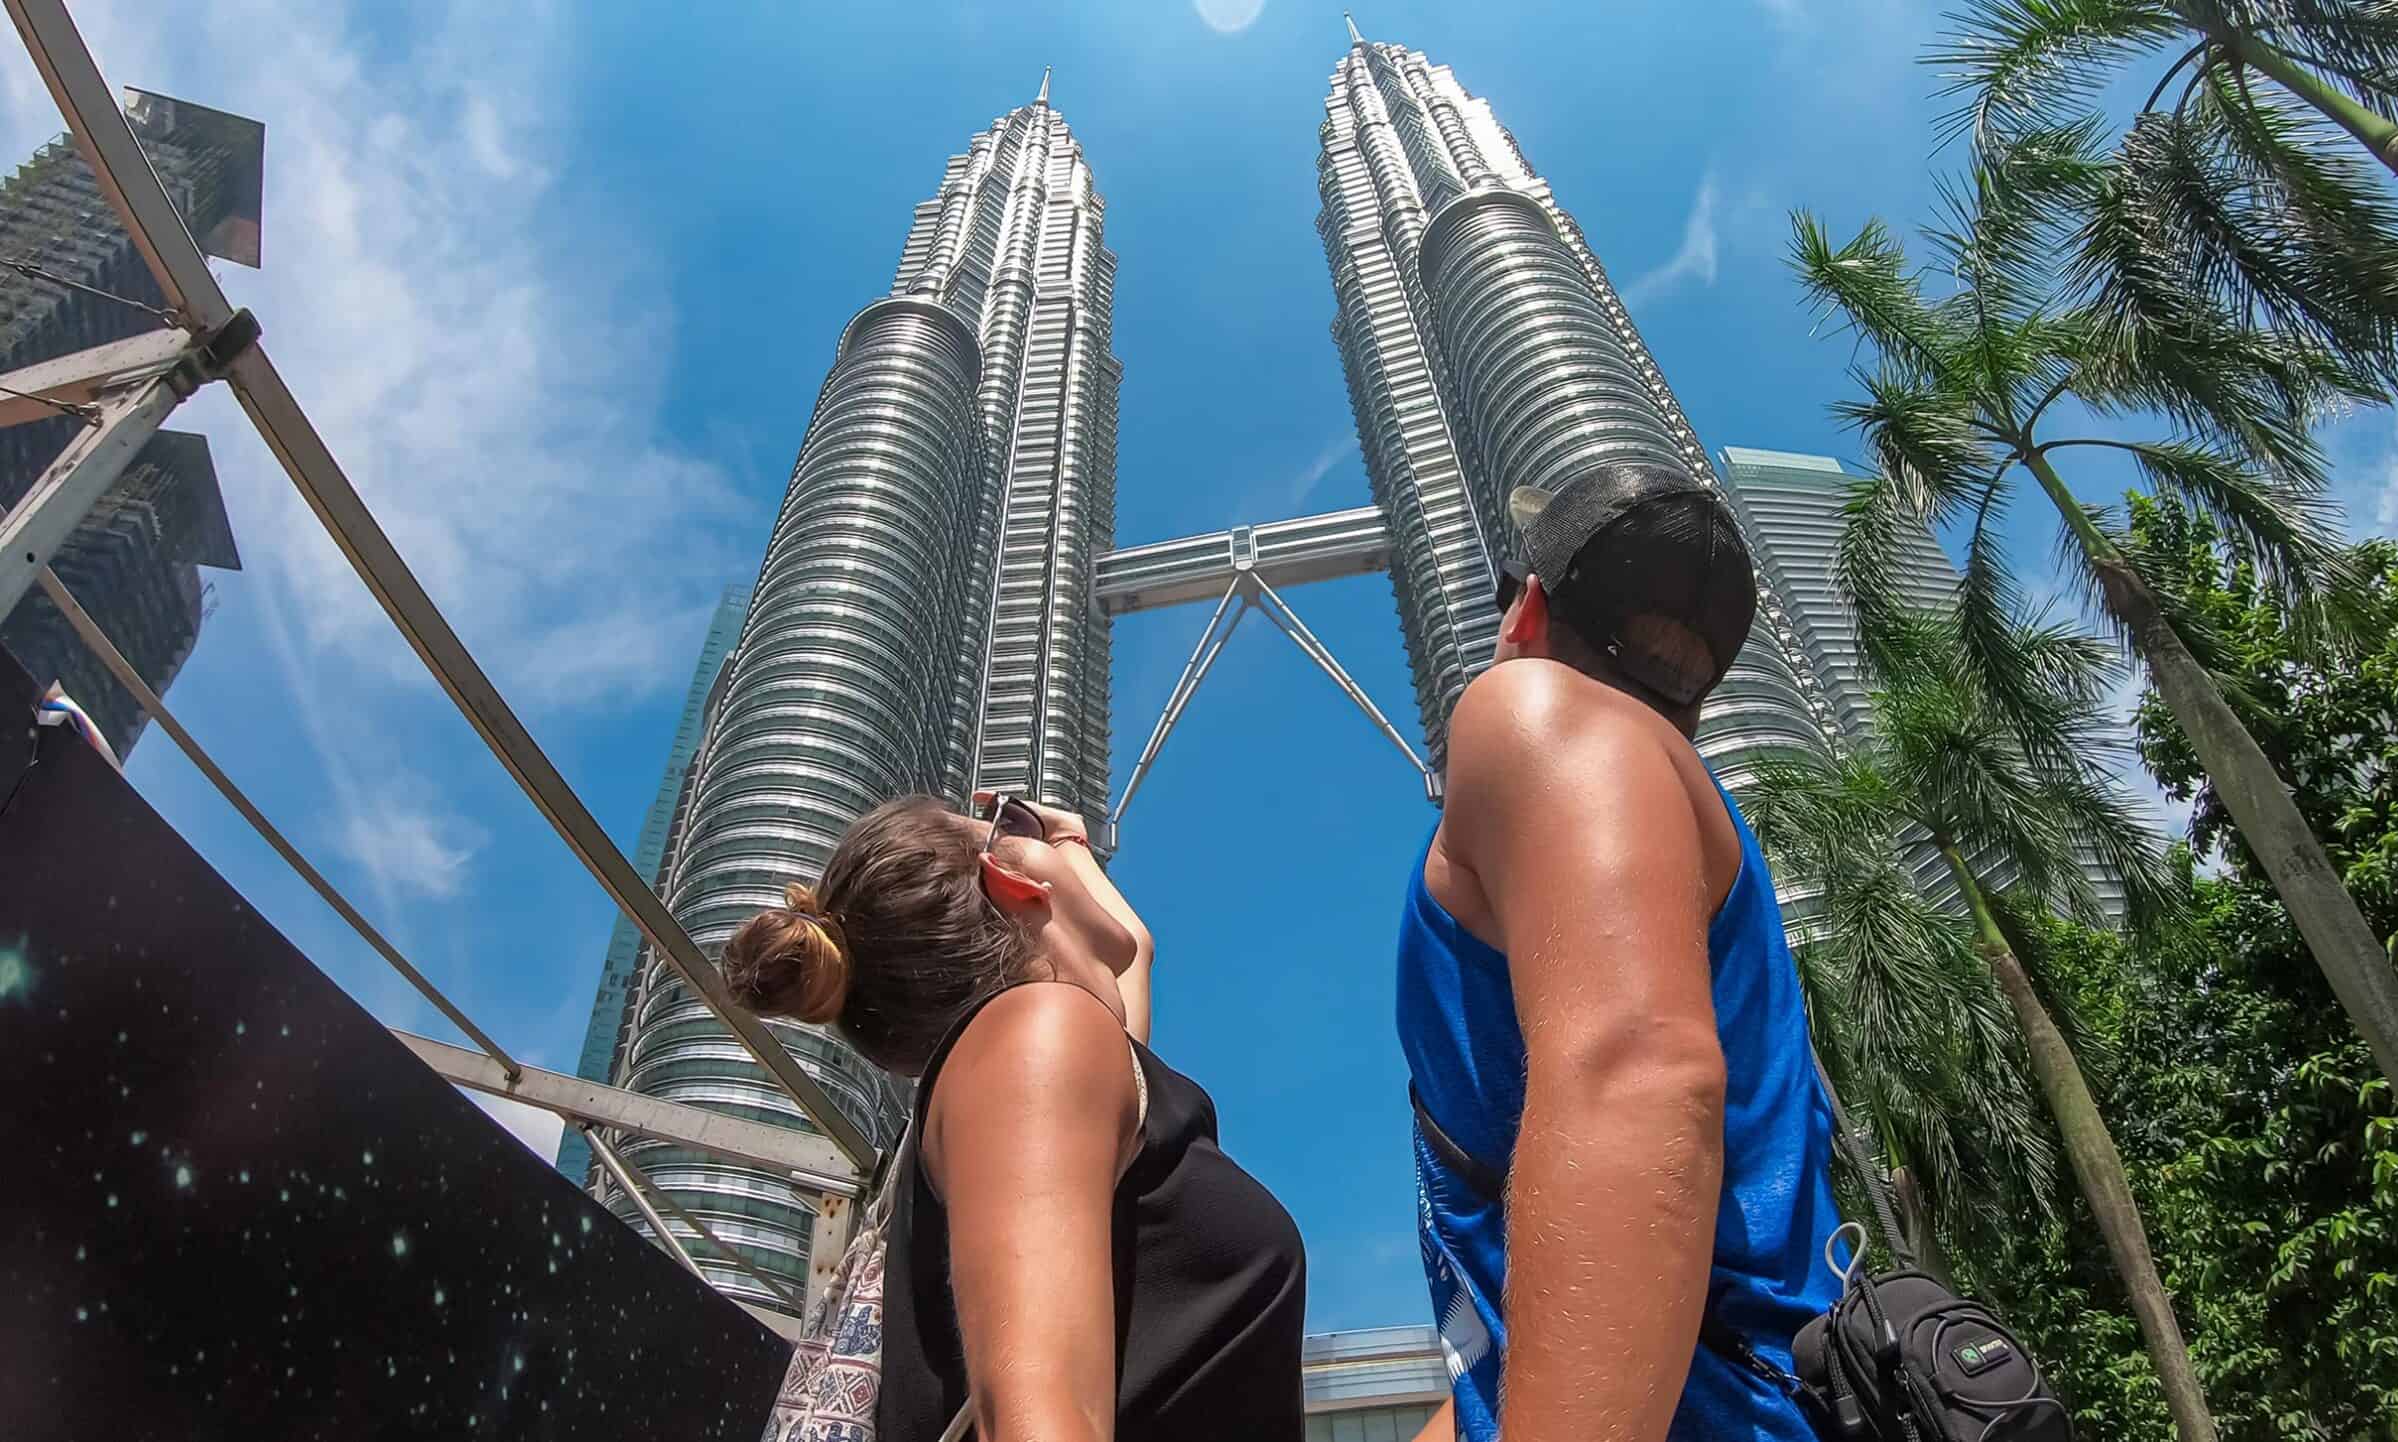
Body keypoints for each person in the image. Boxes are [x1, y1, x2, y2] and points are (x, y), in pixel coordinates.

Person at [1402, 461, 1844, 1442]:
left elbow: (1636, 1072)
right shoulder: (1693, 852)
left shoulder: (1535, 714)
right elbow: (1508, 1342)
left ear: (1522, 614)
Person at [723, 790, 1307, 1442]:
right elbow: (1044, 1422)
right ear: (1010, 877)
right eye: (1012, 828)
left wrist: (1065, 844)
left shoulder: (1067, 1069)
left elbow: (1134, 950)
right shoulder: (1041, 1042)